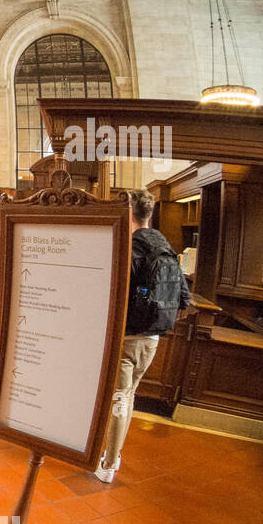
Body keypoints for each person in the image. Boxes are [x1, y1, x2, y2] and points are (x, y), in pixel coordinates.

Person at [96, 190, 191, 484]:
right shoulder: (166, 248)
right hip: (153, 339)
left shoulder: (131, 248)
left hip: (127, 338)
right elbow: (184, 300)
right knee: (129, 395)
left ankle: (109, 464)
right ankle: (115, 455)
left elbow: (111, 293)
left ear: (128, 212)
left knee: (118, 400)